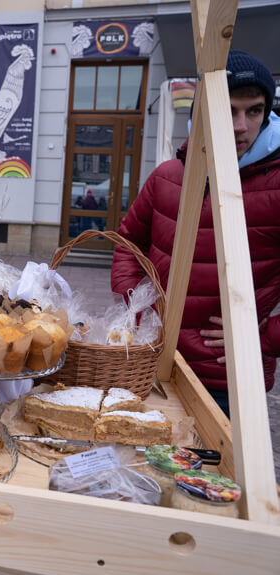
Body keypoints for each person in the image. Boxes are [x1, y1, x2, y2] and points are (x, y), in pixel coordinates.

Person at [110, 50, 280, 416]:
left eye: (254, 111)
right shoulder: (168, 176)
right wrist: (138, 309)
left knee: (216, 472)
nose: (240, 125)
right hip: (154, 364)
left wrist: (266, 336)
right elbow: (128, 244)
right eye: (229, 109)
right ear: (203, 111)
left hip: (229, 377)